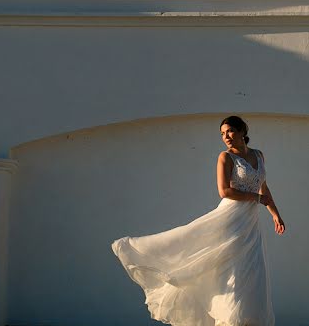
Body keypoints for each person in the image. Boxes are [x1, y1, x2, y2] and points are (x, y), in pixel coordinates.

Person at [111, 115, 286, 326]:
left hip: (251, 224)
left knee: (254, 275)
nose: (226, 137)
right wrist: (257, 198)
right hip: (231, 220)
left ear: (242, 131)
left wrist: (275, 214)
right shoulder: (225, 157)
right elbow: (225, 191)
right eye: (222, 134)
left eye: (230, 131)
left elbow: (263, 188)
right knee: (233, 274)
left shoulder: (259, 155)